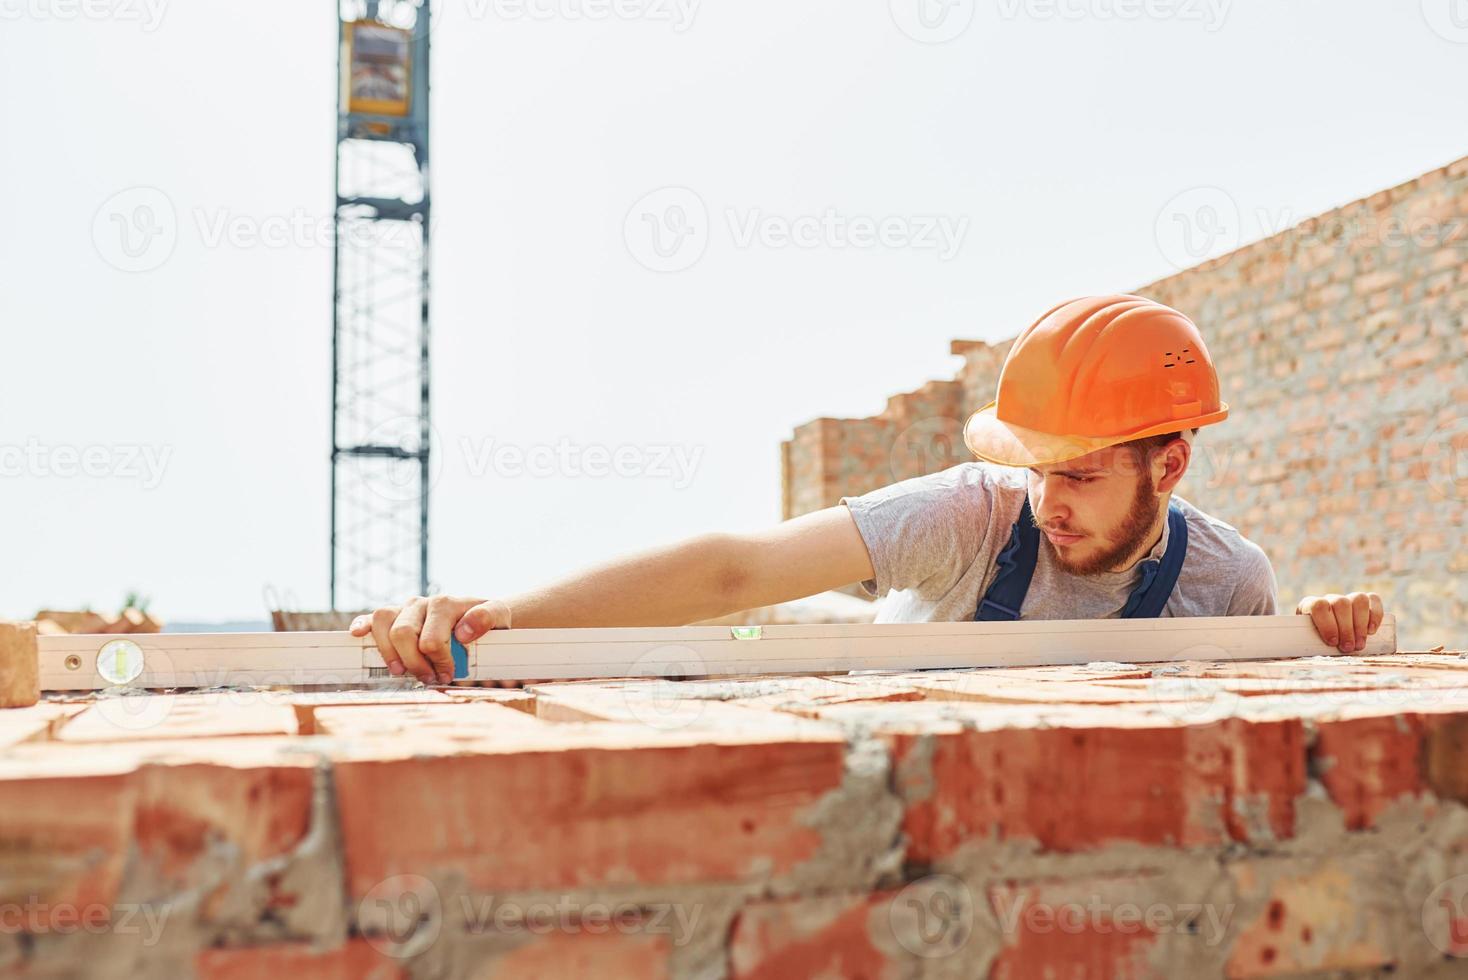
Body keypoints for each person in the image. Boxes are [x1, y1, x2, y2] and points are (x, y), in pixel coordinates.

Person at [352, 294, 1386, 685]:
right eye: (1035, 468)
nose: (1048, 499)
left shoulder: (1231, 579)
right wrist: (496, 616)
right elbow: (736, 568)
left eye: (1078, 472)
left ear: (1170, 466)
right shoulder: (974, 515)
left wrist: (1326, 635)